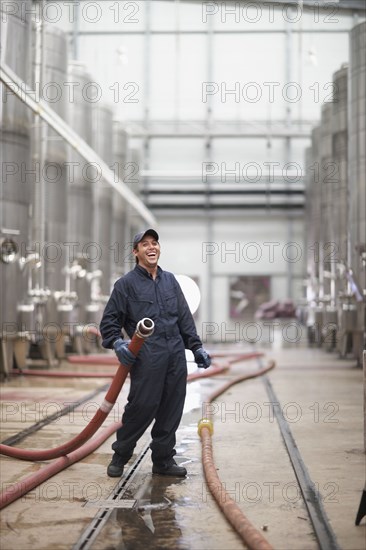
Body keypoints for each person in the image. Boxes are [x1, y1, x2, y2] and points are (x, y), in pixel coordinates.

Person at [99, 228, 211, 478]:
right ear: (135, 251)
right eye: (145, 244)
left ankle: (163, 461)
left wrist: (196, 346)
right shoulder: (125, 285)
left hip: (174, 355)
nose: (152, 247)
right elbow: (108, 323)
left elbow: (184, 318)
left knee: (172, 408)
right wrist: (118, 344)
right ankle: (121, 455)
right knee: (142, 406)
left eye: (155, 243)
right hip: (148, 355)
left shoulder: (171, 281)